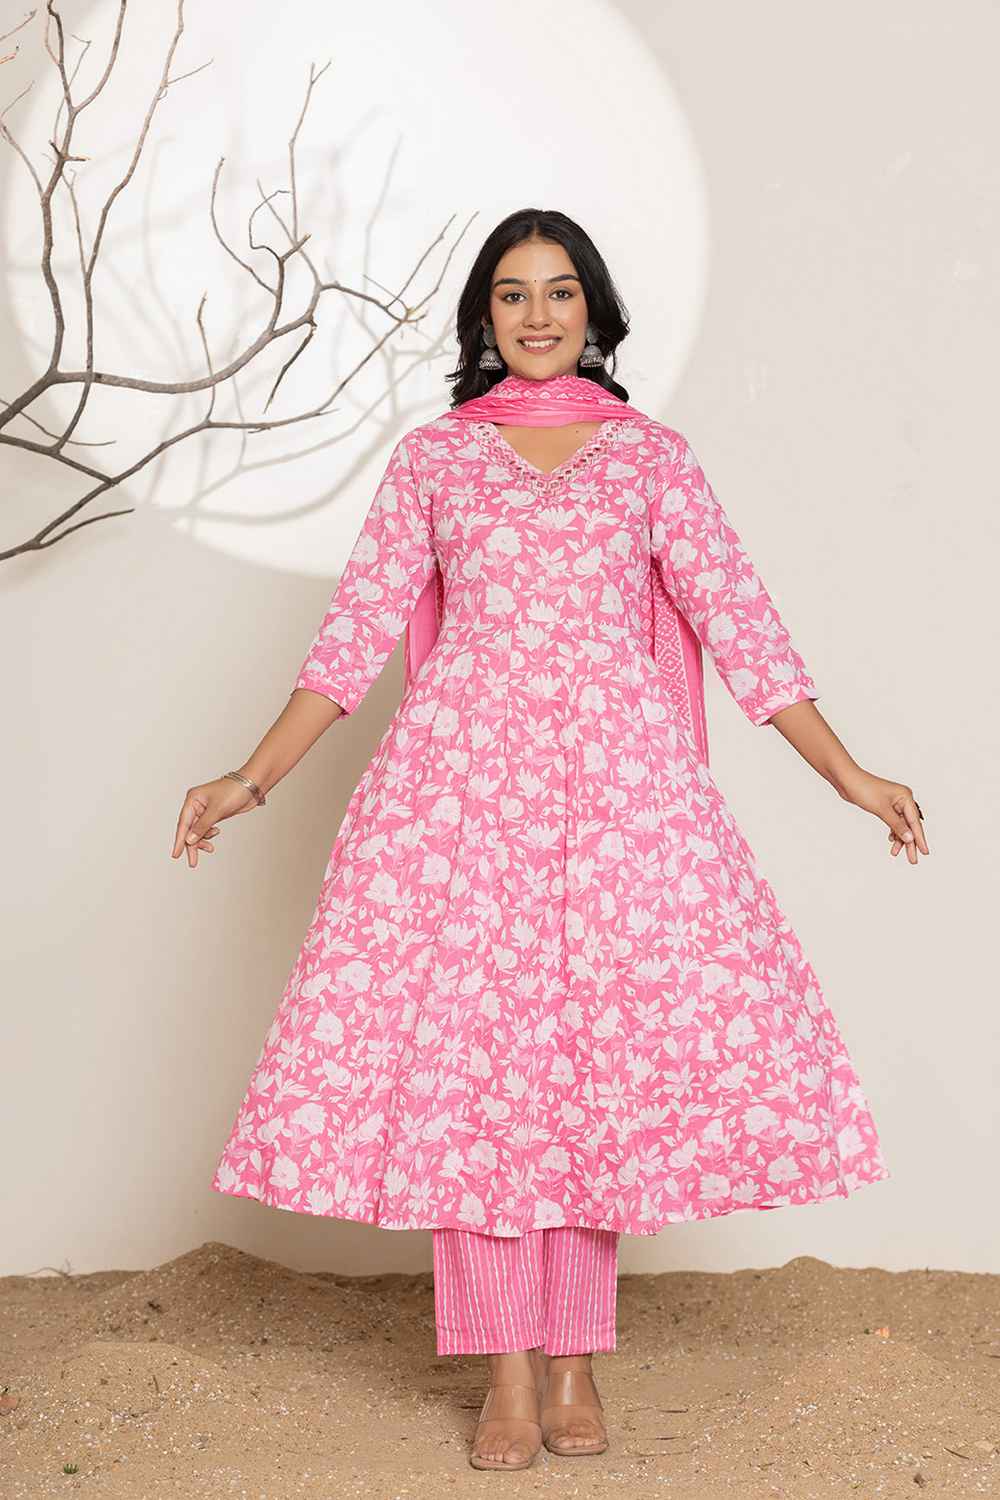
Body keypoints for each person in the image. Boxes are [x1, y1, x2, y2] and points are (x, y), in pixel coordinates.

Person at [173, 209, 926, 1472]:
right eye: (513, 293)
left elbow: (742, 624)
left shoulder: (651, 461)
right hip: (458, 808)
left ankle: (574, 1358)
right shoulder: (435, 460)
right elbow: (353, 639)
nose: (536, 314)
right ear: (484, 316)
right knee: (475, 1079)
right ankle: (506, 1374)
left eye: (559, 291)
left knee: (590, 1074)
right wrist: (251, 778)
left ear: (593, 311)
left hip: (618, 806)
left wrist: (847, 773)